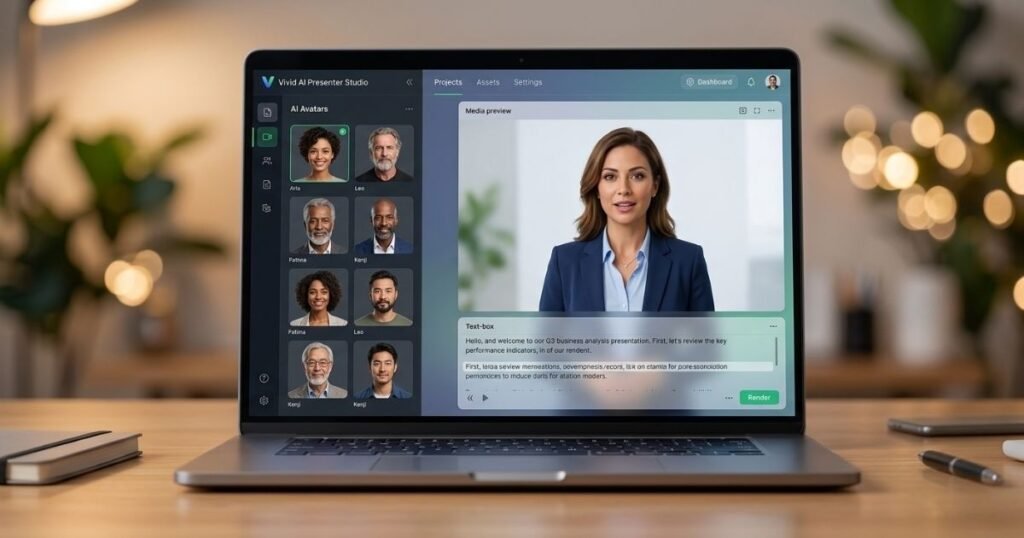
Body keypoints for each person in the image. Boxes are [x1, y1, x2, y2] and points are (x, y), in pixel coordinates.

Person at [539, 127, 714, 312]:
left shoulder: (688, 261)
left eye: (637, 176)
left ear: (655, 185)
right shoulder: (565, 262)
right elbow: (548, 340)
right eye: (610, 176)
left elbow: (705, 341)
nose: (623, 189)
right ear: (596, 187)